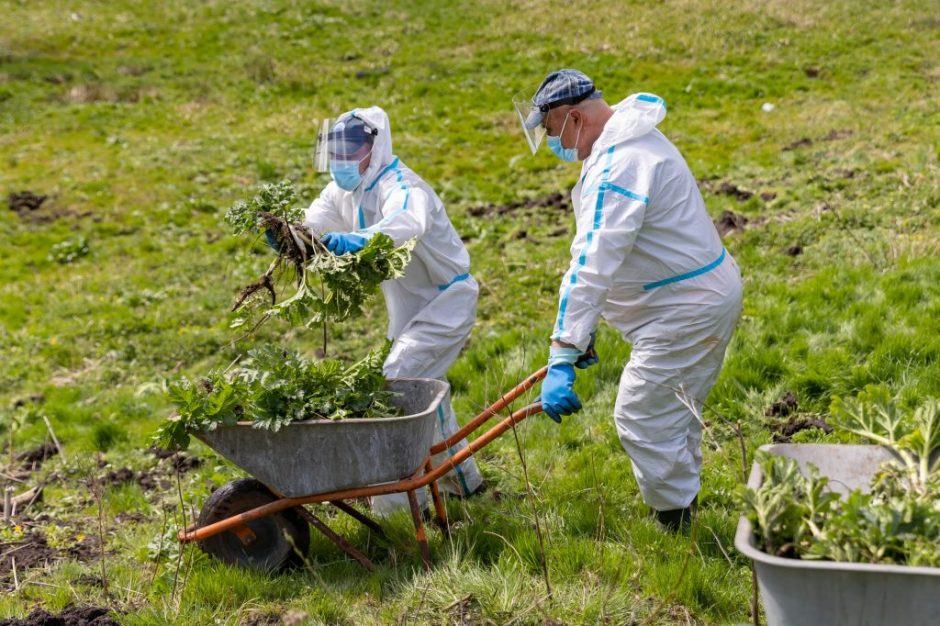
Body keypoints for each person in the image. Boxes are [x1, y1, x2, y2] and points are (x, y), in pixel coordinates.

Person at [514, 70, 742, 530]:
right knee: (671, 408)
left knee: (640, 413)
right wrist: (586, 332)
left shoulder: (621, 163)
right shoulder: (625, 142)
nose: (557, 145)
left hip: (686, 309)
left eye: (554, 132)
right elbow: (617, 253)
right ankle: (683, 505)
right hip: (688, 299)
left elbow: (592, 261)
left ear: (575, 116)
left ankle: (675, 525)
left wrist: (562, 353)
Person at [282, 106, 484, 515]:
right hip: (407, 310)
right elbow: (313, 224)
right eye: (334, 153)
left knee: (396, 389)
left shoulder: (402, 185)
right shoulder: (346, 189)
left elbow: (406, 222)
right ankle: (468, 484)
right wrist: (289, 238)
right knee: (426, 393)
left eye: (348, 152)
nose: (339, 163)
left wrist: (359, 241)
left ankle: (401, 508)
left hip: (445, 303)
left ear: (373, 148)